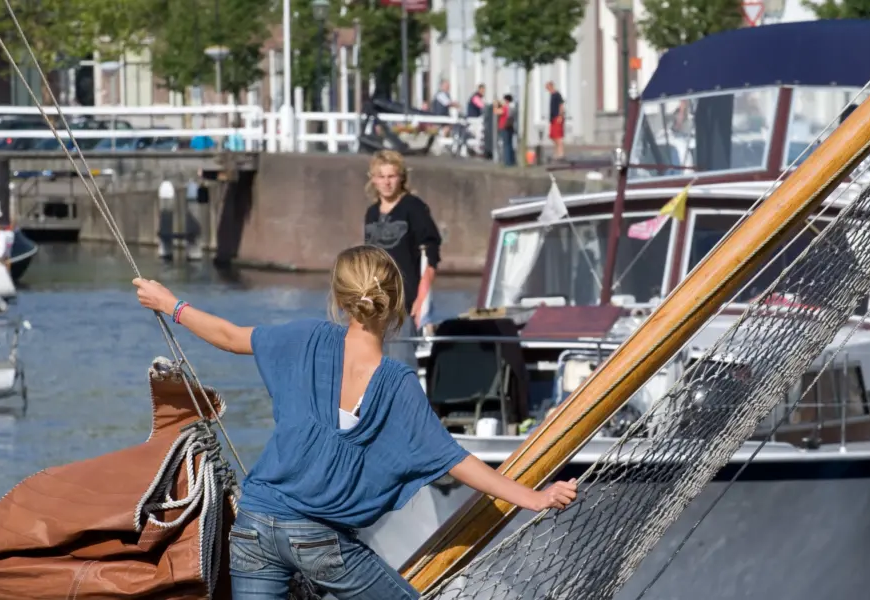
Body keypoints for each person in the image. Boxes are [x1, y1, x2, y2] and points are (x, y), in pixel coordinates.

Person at [132, 245, 578, 600]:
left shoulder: (304, 338)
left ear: (339, 300)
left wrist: (170, 303)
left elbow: (229, 336)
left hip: (254, 523)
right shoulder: (397, 383)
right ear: (396, 303)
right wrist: (533, 498)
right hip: (317, 538)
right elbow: (454, 460)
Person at [363, 150, 438, 366]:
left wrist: (421, 297)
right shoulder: (371, 214)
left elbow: (431, 254)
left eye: (391, 176)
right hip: (376, 304)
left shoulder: (414, 208)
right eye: (381, 177)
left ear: (401, 178)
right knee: (374, 366)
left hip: (404, 303)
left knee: (400, 365)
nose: (387, 182)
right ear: (373, 180)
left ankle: (407, 400)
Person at [545, 81, 565, 161]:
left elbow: (561, 105)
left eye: (548, 87)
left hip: (557, 118)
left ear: (551, 86)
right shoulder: (552, 95)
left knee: (558, 136)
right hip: (552, 118)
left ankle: (560, 153)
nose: (547, 89)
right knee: (553, 136)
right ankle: (557, 152)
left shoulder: (557, 94)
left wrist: (560, 116)